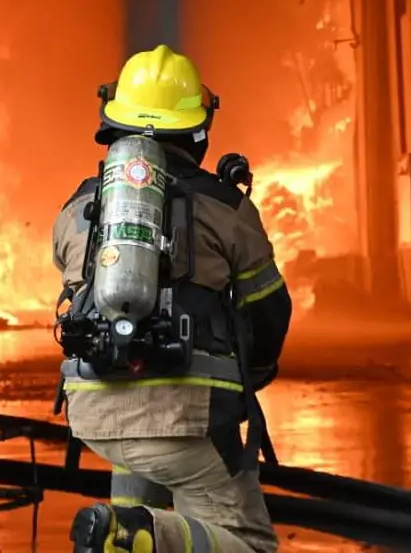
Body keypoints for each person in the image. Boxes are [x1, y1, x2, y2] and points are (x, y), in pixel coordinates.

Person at [52, 44, 293, 553]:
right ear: (197, 127)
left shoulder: (77, 207)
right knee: (247, 544)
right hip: (186, 417)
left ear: (112, 119)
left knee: (143, 459)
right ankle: (137, 539)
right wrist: (258, 370)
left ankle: (125, 527)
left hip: (96, 414)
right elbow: (271, 310)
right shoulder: (226, 206)